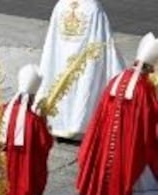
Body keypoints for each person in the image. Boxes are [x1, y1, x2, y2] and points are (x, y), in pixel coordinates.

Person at [76, 34, 158, 195]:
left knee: (107, 158)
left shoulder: (117, 79)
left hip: (107, 135)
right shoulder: (144, 88)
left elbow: (101, 112)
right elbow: (149, 120)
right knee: (140, 157)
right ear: (150, 67)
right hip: (132, 136)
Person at [37, 0, 125, 140]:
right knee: (85, 84)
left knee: (59, 82)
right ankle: (78, 125)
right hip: (86, 60)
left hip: (60, 57)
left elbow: (51, 42)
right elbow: (103, 40)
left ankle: (57, 124)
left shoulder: (61, 5)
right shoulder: (93, 7)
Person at [1, 65, 54, 195]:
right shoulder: (33, 121)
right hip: (27, 174)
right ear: (32, 96)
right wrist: (44, 120)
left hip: (6, 174)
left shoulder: (3, 112)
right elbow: (45, 144)